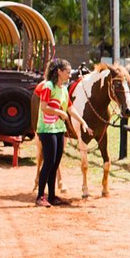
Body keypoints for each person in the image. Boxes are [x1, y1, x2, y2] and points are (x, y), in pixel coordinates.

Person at [33, 59, 88, 207]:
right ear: (59, 72)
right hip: (47, 128)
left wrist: (82, 122)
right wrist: (59, 112)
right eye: (68, 72)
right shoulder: (48, 87)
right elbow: (44, 107)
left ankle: (51, 196)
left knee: (55, 163)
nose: (70, 76)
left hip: (59, 129)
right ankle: (40, 196)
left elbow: (70, 108)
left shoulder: (63, 89)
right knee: (49, 162)